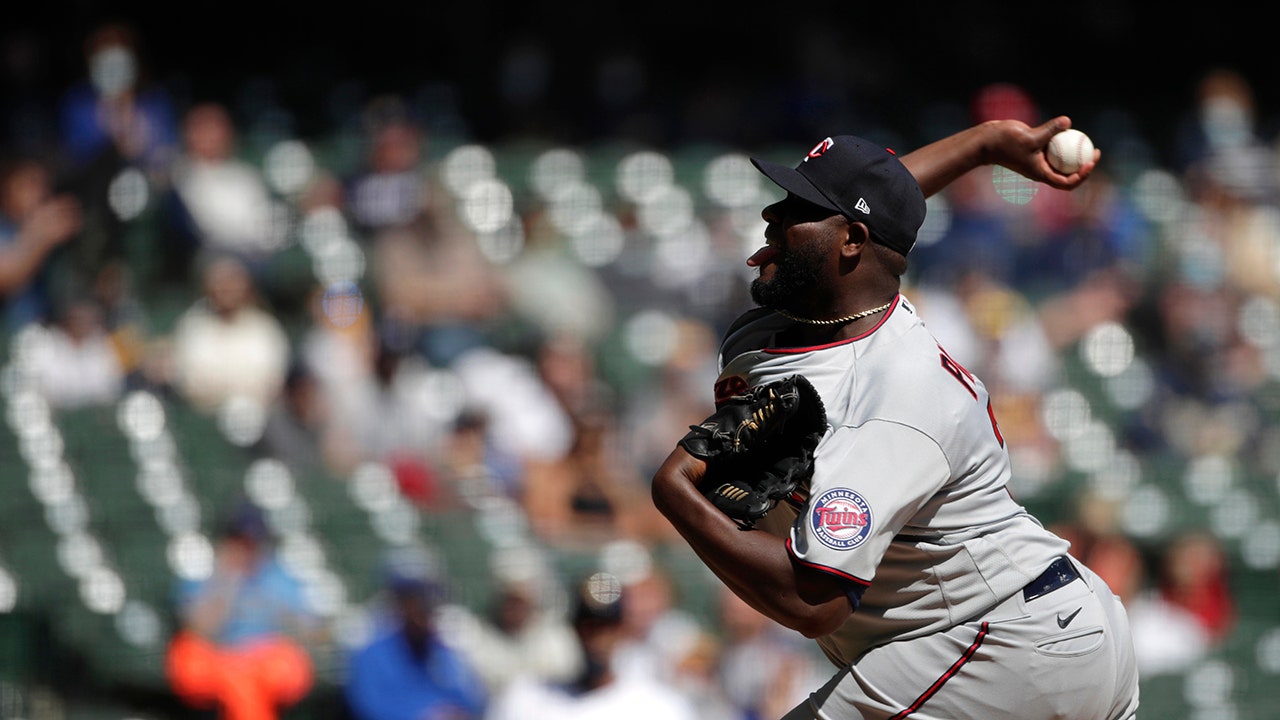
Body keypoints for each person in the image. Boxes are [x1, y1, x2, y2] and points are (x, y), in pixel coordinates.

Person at [650, 117, 1140, 719]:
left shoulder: (888, 400)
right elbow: (888, 197)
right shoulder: (811, 310)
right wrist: (983, 145)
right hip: (1037, 627)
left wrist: (674, 492)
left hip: (1004, 643)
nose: (771, 218)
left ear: (851, 241)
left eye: (796, 209)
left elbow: (814, 603)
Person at [166, 501, 319, 720]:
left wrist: (282, 613)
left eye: (253, 542)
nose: (248, 548)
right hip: (218, 661)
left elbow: (312, 631)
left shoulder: (277, 576)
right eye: (240, 540)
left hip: (266, 662)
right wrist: (228, 581)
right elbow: (200, 629)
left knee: (267, 669)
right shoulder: (202, 574)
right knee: (225, 671)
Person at [484, 571, 699, 720]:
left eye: (606, 627)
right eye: (587, 625)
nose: (596, 637)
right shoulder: (526, 696)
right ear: (573, 629)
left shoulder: (659, 707)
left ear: (622, 630)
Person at [343, 545, 489, 720]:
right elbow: (369, 707)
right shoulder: (371, 652)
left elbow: (470, 700)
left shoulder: (444, 651)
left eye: (430, 598)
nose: (424, 607)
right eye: (415, 599)